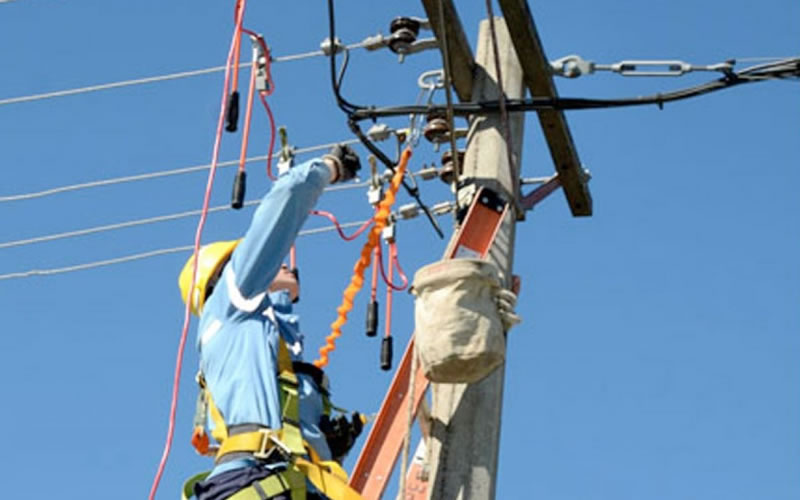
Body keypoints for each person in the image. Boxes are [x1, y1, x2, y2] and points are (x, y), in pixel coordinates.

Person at [178, 145, 365, 500]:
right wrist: (330, 167)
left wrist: (321, 439)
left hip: (282, 480)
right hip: (258, 478)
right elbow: (288, 198)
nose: (282, 263)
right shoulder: (232, 296)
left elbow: (281, 338)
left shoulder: (249, 336)